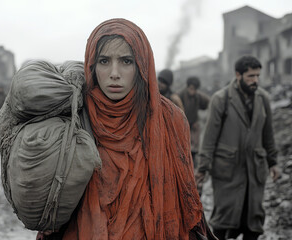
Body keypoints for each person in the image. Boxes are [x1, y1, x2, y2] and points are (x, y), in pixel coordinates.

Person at [38, 18, 216, 240]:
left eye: (126, 61)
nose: (114, 73)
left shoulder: (170, 119)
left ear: (141, 64)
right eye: (104, 61)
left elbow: (185, 194)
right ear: (91, 65)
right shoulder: (74, 116)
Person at [195, 56, 280, 240]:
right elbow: (209, 138)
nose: (255, 80)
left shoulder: (263, 98)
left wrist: (273, 162)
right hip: (228, 171)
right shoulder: (221, 99)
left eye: (257, 75)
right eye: (250, 76)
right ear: (238, 75)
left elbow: (268, 134)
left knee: (253, 222)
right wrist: (203, 168)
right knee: (223, 221)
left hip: (254, 171)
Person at [178, 76, 210, 168]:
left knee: (194, 150)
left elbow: (210, 102)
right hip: (182, 125)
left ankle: (193, 165)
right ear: (188, 87)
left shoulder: (198, 96)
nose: (193, 91)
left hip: (194, 125)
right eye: (191, 89)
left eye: (195, 89)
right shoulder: (180, 95)